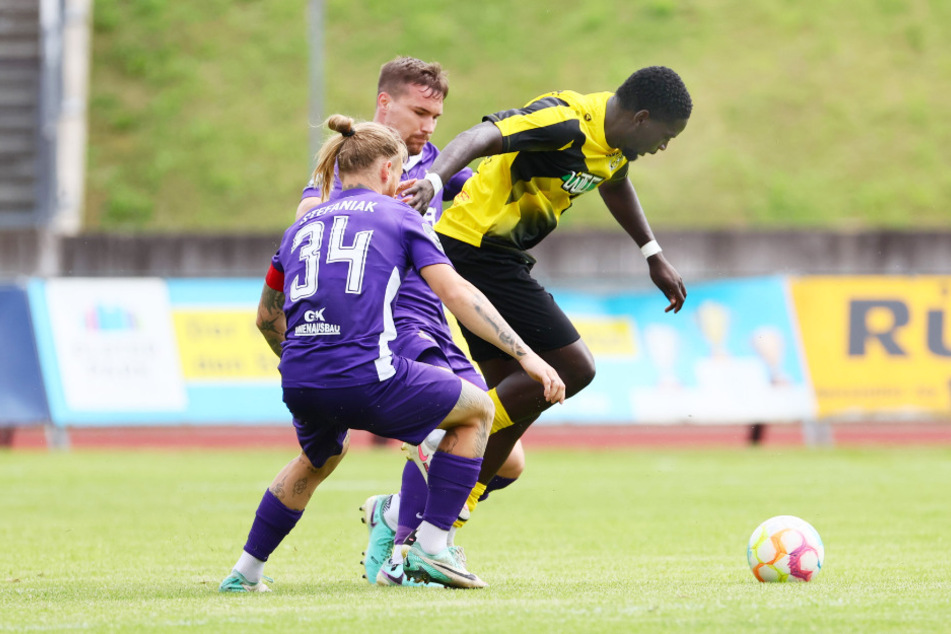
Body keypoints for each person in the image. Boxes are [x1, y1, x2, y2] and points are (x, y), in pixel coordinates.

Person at [218, 115, 565, 592]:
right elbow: (457, 294)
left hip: (300, 377)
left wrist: (299, 359)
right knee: (478, 410)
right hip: (367, 373)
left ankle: (245, 573)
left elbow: (265, 317)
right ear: (386, 171)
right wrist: (528, 356)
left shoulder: (298, 228)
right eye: (401, 173)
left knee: (316, 459)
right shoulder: (400, 215)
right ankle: (432, 547)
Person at [402, 65, 693, 523]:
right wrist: (435, 181)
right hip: (475, 246)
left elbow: (613, 180)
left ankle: (435, 518)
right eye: (666, 135)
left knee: (516, 400)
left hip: (500, 254)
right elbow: (482, 136)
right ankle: (451, 434)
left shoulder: (617, 148)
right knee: (572, 368)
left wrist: (652, 253)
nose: (664, 146)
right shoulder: (565, 120)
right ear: (641, 118)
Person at [296, 56, 527, 587]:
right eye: (419, 111)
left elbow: (484, 190)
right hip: (389, 323)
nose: (428, 126)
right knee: (452, 428)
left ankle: (395, 514)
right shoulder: (350, 169)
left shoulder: (438, 168)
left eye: (436, 116)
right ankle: (413, 551)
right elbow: (308, 227)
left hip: (433, 320)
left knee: (508, 462)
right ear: (384, 103)